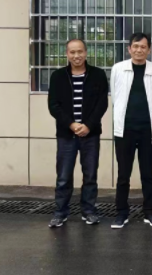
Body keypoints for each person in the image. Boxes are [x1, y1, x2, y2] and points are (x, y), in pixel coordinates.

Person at [47, 39, 109, 228]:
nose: (77, 56)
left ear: (86, 52)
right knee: (63, 176)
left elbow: (102, 104)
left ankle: (89, 211)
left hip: (91, 134)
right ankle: (60, 213)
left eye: (80, 51)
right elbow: (53, 105)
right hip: (66, 135)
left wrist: (88, 125)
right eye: (72, 52)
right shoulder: (58, 76)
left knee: (90, 175)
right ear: (67, 54)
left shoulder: (98, 75)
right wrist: (71, 124)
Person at [110, 33, 152, 229]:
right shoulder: (118, 69)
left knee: (147, 173)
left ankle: (149, 212)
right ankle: (121, 213)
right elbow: (115, 96)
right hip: (124, 130)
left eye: (143, 47)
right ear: (129, 49)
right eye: (135, 46)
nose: (139, 50)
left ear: (149, 50)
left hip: (148, 130)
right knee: (123, 174)